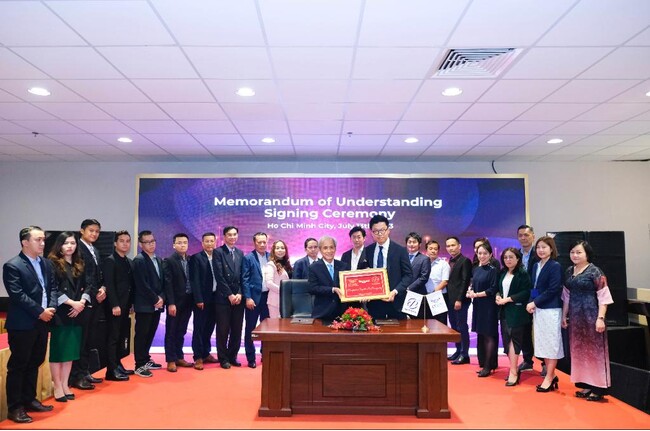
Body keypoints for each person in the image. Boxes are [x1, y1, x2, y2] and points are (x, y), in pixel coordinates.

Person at [3, 226, 56, 423]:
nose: (42, 243)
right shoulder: (13, 265)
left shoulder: (47, 263)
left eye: (43, 239)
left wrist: (51, 308)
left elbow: (53, 288)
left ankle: (29, 399)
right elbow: (17, 295)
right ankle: (15, 407)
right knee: (19, 366)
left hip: (43, 322)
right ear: (25, 242)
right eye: (37, 240)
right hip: (23, 323)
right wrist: (40, 311)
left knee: (35, 361)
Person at [562, 240, 613, 402]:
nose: (575, 255)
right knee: (580, 352)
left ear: (587, 254)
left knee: (594, 353)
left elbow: (604, 297)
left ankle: (598, 388)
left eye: (579, 252)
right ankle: (586, 384)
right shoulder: (569, 271)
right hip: (576, 320)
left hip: (592, 318)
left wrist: (600, 318)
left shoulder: (595, 271)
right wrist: (564, 316)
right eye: (572, 252)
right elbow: (566, 296)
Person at [48, 232, 87, 401]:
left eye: (73, 243)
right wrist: (72, 303)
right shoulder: (52, 263)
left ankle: (65, 384)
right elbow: (52, 289)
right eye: (66, 243)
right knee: (58, 352)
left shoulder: (79, 263)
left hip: (77, 312)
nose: (70, 246)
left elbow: (87, 285)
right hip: (61, 312)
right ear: (59, 245)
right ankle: (57, 386)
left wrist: (82, 303)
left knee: (70, 351)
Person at [70, 218, 106, 390]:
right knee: (81, 339)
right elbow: (83, 278)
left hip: (95, 300)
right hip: (83, 301)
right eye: (91, 230)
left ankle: (85, 372)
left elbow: (99, 275)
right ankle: (76, 376)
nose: (94, 234)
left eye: (97, 231)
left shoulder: (95, 250)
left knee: (89, 339)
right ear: (82, 231)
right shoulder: (77, 249)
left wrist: (103, 288)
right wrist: (94, 293)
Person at [526, 236, 564, 393]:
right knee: (543, 343)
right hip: (539, 310)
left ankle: (548, 377)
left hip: (551, 309)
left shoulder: (555, 266)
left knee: (551, 343)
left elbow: (553, 289)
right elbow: (534, 287)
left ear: (551, 249)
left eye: (544, 247)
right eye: (538, 247)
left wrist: (535, 302)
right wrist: (532, 302)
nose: (541, 250)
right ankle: (552, 375)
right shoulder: (536, 265)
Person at [495, 248, 532, 386]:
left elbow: (526, 292)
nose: (508, 260)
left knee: (514, 341)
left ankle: (513, 372)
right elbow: (499, 288)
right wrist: (498, 296)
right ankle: (514, 368)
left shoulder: (523, 274)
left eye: (511, 257)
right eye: (505, 257)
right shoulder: (503, 272)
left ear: (518, 259)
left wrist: (508, 299)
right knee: (506, 341)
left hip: (517, 312)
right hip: (504, 311)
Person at [365, 215, 413, 320]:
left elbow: (408, 275)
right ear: (371, 233)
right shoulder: (368, 250)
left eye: (382, 230)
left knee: (398, 330)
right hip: (374, 304)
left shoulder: (400, 250)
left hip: (396, 302)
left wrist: (395, 291)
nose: (379, 234)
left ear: (388, 230)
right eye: (376, 231)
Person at [102, 230, 135, 381]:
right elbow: (109, 284)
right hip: (114, 307)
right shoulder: (110, 260)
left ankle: (118, 364)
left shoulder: (128, 261)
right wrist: (114, 304)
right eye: (122, 241)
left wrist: (131, 304)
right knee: (113, 337)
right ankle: (111, 370)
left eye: (128, 241)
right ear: (115, 243)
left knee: (121, 336)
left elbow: (130, 285)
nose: (125, 244)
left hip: (126, 305)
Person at [132, 230, 165, 378]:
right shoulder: (139, 260)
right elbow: (141, 284)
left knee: (150, 333)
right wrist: (155, 299)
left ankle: (145, 359)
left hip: (156, 305)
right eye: (147, 242)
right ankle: (139, 365)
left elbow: (162, 282)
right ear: (141, 244)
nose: (151, 244)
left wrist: (162, 298)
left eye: (153, 241)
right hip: (145, 305)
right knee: (142, 334)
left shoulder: (158, 259)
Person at [213, 226, 245, 369]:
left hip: (238, 298)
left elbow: (243, 276)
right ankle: (223, 358)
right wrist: (230, 295)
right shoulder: (218, 252)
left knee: (237, 330)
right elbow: (219, 276)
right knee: (223, 330)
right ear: (224, 236)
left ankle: (233, 356)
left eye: (234, 234)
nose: (232, 237)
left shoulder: (240, 253)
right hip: (223, 298)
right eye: (229, 235)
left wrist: (239, 293)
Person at [162, 233, 194, 372]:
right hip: (175, 302)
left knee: (181, 330)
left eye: (185, 243)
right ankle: (170, 359)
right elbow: (167, 283)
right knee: (171, 331)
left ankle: (179, 357)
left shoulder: (191, 260)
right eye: (179, 243)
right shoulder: (169, 261)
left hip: (188, 301)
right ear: (174, 245)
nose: (182, 245)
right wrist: (171, 303)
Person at [467, 242, 499, 377]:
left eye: (485, 253)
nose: (482, 256)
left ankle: (488, 366)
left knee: (489, 335)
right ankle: (485, 364)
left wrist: (476, 294)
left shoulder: (493, 270)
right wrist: (470, 291)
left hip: (489, 306)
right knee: (482, 335)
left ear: (490, 254)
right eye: (479, 253)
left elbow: (492, 289)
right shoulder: (476, 269)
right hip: (478, 306)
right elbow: (474, 285)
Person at [189, 232, 219, 370]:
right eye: (207, 241)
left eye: (212, 241)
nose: (209, 243)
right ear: (202, 243)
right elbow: (194, 280)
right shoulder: (196, 258)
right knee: (199, 328)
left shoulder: (218, 257)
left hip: (216, 298)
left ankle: (206, 353)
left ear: (215, 242)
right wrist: (198, 298)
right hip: (202, 300)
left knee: (209, 327)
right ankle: (198, 357)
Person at [242, 232, 270, 368]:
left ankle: (266, 354)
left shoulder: (271, 257)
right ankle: (251, 358)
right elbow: (245, 280)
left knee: (268, 329)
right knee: (250, 329)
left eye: (264, 242)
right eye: (259, 242)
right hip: (253, 299)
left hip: (268, 299)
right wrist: (248, 297)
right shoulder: (248, 258)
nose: (262, 244)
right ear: (254, 243)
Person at [516, 224, 540, 374]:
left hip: (537, 298)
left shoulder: (539, 253)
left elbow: (539, 279)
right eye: (520, 235)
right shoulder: (516, 254)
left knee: (540, 330)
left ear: (533, 236)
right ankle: (527, 360)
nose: (523, 238)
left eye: (526, 235)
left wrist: (534, 298)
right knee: (524, 330)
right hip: (520, 298)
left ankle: (545, 362)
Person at [308, 236, 350, 322]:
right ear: (320, 250)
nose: (329, 251)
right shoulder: (314, 267)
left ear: (335, 248)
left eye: (331, 247)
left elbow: (350, 286)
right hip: (322, 313)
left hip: (342, 314)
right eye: (325, 248)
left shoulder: (344, 266)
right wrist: (332, 289)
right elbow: (312, 288)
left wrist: (362, 294)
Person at [445, 237, 473, 365]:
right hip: (450, 299)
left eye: (453, 245)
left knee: (462, 326)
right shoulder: (449, 261)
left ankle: (465, 354)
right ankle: (458, 350)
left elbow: (465, 281)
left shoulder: (465, 261)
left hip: (460, 300)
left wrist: (459, 299)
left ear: (459, 246)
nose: (451, 248)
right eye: (448, 246)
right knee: (454, 327)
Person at [403, 234, 431, 319]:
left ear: (419, 244)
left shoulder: (424, 259)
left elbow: (424, 277)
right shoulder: (402, 257)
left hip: (417, 295)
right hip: (402, 295)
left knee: (417, 322)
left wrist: (409, 288)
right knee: (403, 322)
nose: (411, 244)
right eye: (409, 242)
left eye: (414, 242)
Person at [263, 239, 293, 319]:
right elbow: (269, 283)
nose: (280, 250)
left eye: (282, 248)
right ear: (273, 250)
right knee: (276, 325)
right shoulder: (271, 264)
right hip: (275, 301)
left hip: (286, 300)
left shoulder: (287, 264)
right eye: (277, 248)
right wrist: (283, 291)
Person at [423, 240, 450, 324]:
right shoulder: (422, 263)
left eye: (435, 249)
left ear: (438, 251)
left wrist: (433, 294)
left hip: (439, 297)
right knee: (427, 322)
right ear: (427, 250)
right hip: (424, 297)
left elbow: (445, 281)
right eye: (430, 248)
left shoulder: (443, 264)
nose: (433, 251)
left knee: (440, 323)